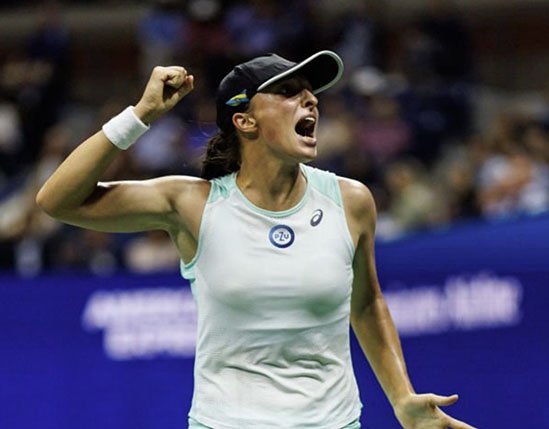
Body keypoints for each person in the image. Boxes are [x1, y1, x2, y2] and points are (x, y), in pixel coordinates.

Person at [36, 50, 475, 429]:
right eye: (288, 92)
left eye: (310, 93)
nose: (310, 100)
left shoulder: (351, 200)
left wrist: (401, 397)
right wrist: (141, 115)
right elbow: (57, 200)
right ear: (244, 120)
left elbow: (366, 302)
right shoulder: (191, 204)